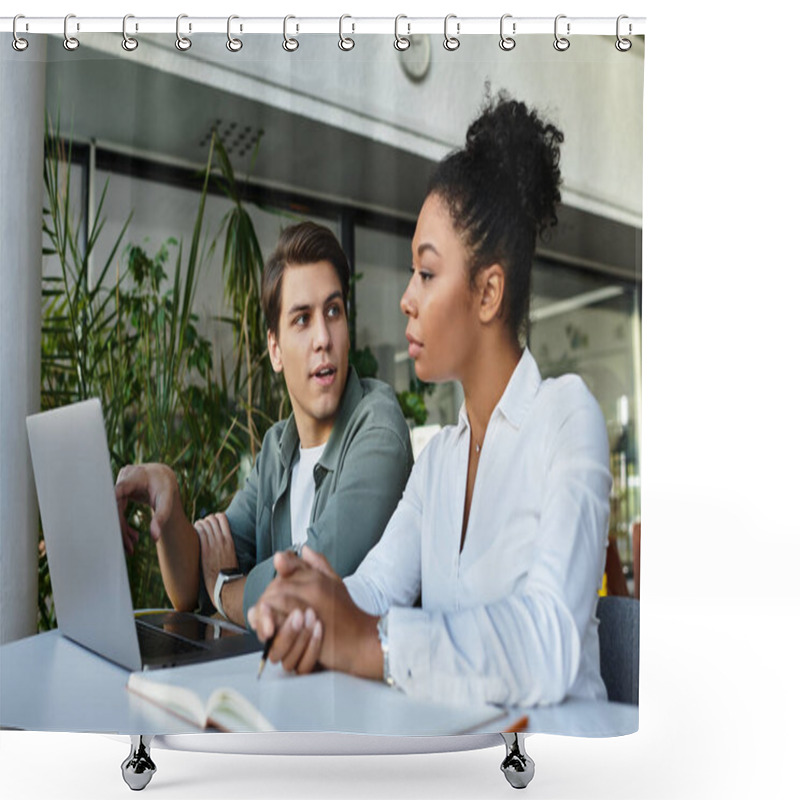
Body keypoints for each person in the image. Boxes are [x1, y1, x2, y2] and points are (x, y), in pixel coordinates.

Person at [247, 95, 613, 709]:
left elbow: (550, 640)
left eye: (426, 272)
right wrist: (307, 604)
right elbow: (374, 590)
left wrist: (375, 644)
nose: (406, 299)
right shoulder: (439, 460)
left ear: (488, 292)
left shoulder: (566, 417)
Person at [115, 221, 414, 630]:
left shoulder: (379, 427)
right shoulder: (277, 449)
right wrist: (167, 500)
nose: (323, 338)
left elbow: (307, 588)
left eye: (333, 311)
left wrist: (226, 590)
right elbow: (190, 587)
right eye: (302, 320)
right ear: (275, 349)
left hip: (356, 689)